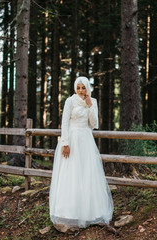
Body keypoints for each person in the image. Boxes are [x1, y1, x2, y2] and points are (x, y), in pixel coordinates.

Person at [49, 76, 113, 232]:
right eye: (78, 87)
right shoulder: (70, 101)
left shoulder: (93, 101)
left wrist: (90, 106)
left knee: (86, 173)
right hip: (72, 139)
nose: (80, 90)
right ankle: (68, 211)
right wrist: (65, 143)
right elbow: (64, 122)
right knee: (71, 173)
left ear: (87, 88)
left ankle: (89, 212)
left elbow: (94, 124)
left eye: (83, 87)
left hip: (85, 140)